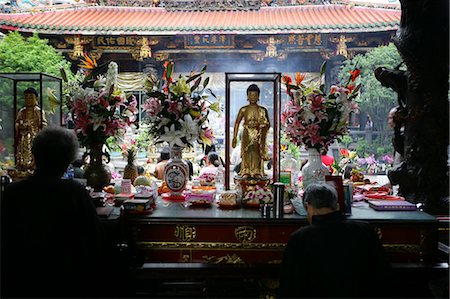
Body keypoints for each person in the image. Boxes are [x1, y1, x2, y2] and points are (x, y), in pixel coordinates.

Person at [1, 126, 106, 298]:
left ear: (34, 156)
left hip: (20, 280)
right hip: (66, 280)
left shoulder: (13, 192)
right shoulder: (75, 192)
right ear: (68, 161)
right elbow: (95, 243)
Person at [278, 182, 392, 298]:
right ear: (337, 206)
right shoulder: (364, 229)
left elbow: (289, 288)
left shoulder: (300, 238)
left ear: (308, 207)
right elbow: (384, 276)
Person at [232, 84, 270, 178]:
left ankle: (257, 170)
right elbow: (237, 123)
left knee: (257, 151)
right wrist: (234, 137)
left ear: (258, 96)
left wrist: (263, 125)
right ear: (247, 96)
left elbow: (268, 124)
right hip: (247, 132)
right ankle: (246, 170)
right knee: (246, 151)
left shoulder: (262, 110)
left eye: (255, 95)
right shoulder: (243, 109)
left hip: (258, 132)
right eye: (251, 95)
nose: (253, 97)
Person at [14, 87, 47, 172]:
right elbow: (17, 123)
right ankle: (22, 165)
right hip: (23, 136)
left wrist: (37, 127)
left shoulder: (38, 111)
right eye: (26, 98)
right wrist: (20, 125)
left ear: (36, 99)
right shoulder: (22, 111)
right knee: (22, 152)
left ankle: (33, 165)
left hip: (34, 135)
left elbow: (44, 124)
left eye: (30, 97)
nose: (28, 100)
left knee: (33, 151)